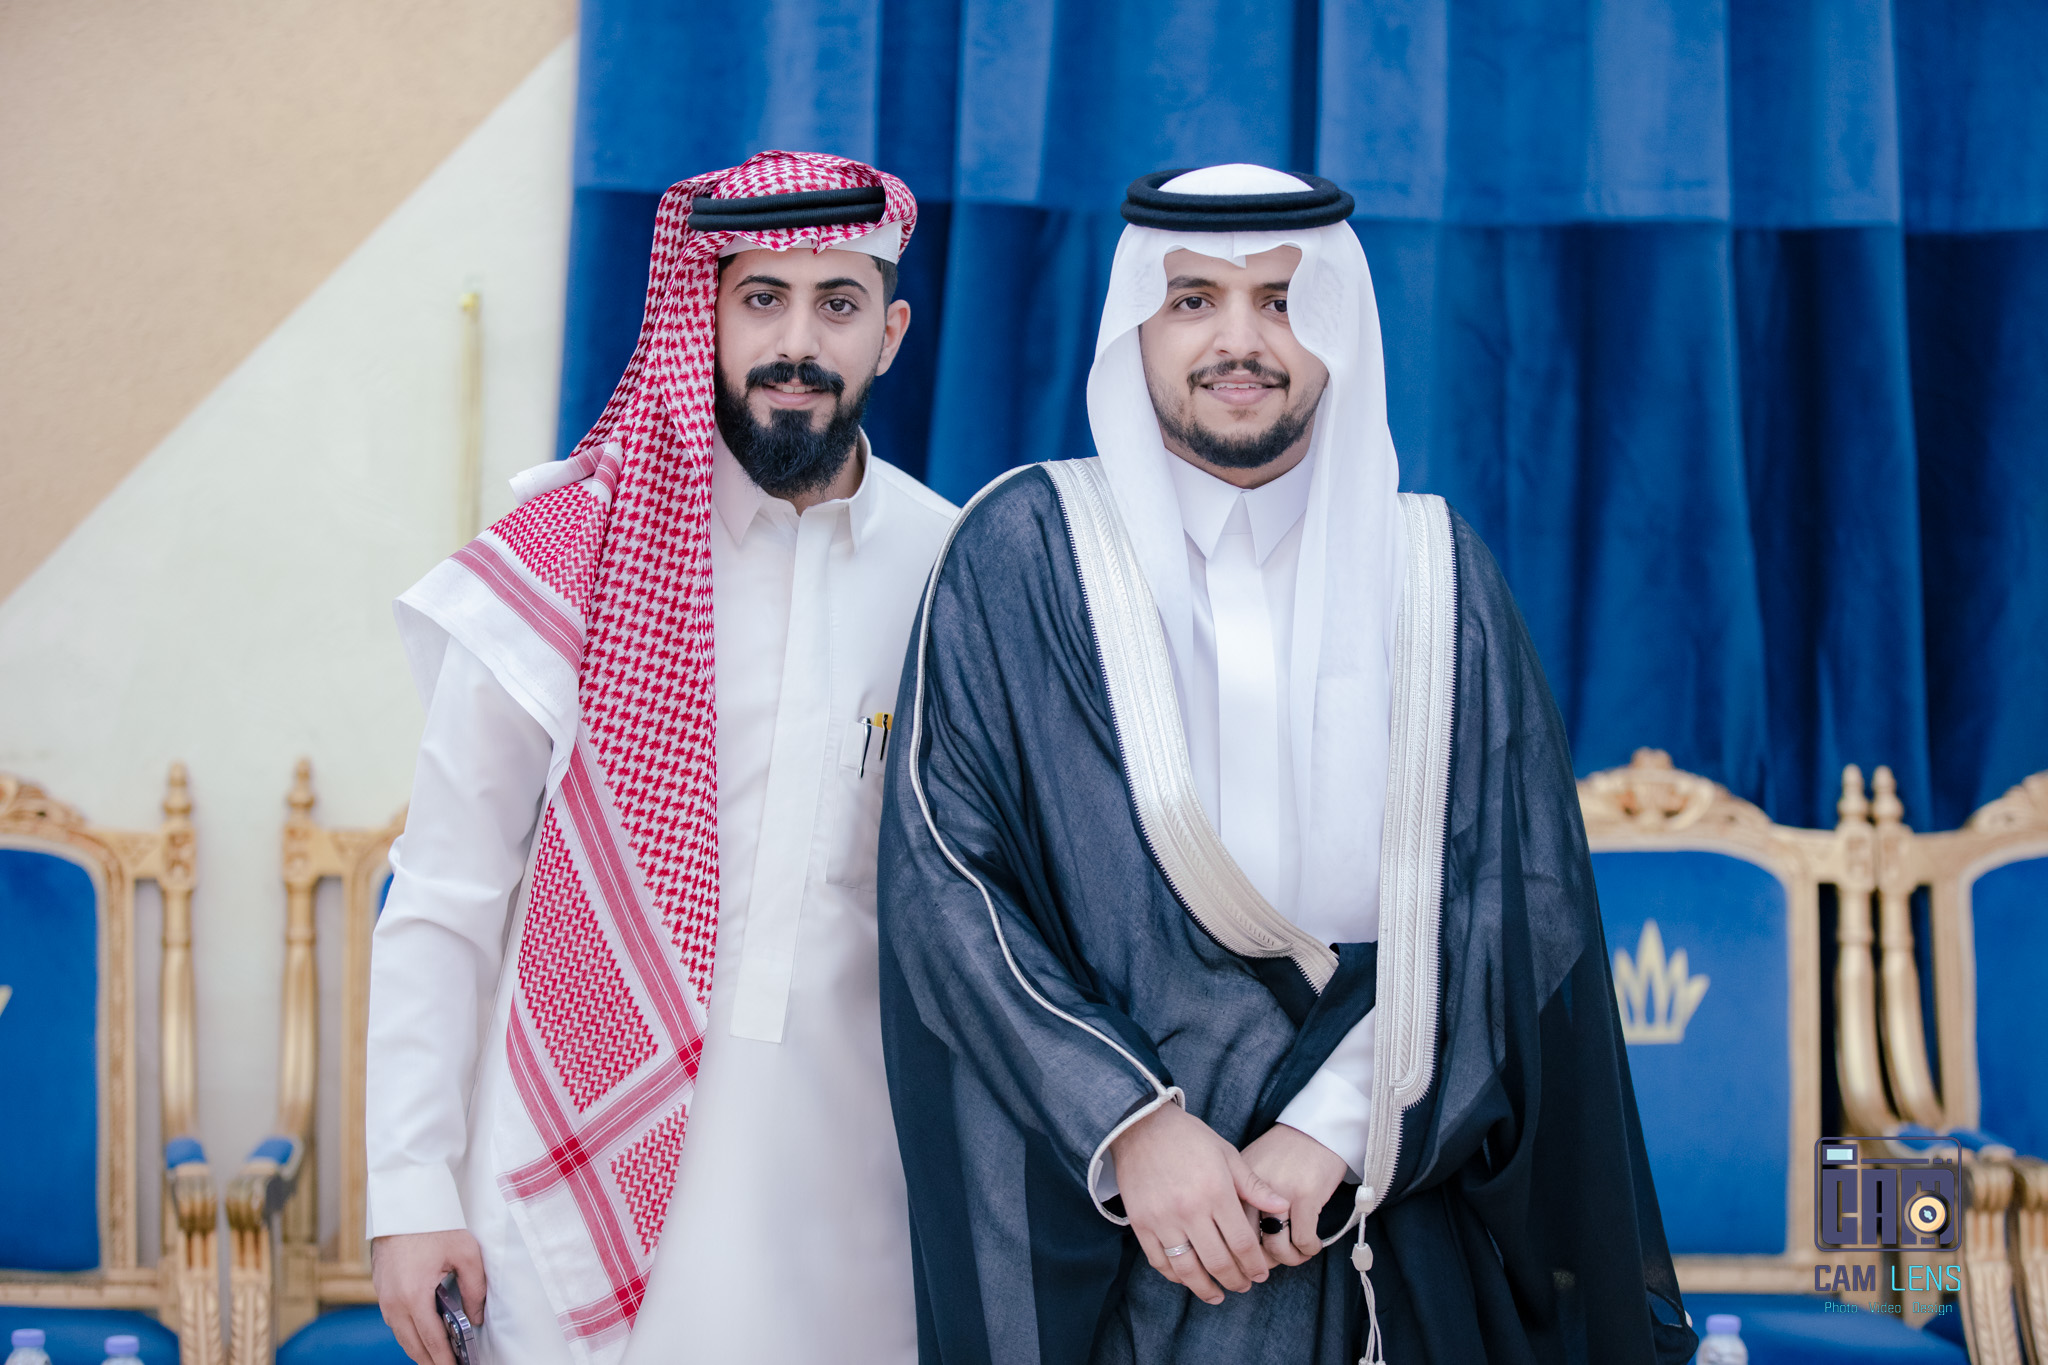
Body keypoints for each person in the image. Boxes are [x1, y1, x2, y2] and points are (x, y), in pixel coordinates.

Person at [877, 164, 1696, 1364]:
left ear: (1338, 327)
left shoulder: (1433, 575)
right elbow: (946, 880)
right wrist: (1130, 1127)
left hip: (1376, 1228)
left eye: (1279, 300)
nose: (1238, 340)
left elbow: (1513, 897)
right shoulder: (1023, 553)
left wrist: (1338, 1125)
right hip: (1119, 1245)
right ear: (1136, 327)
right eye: (1193, 300)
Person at [364, 150, 956, 1365]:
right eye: (761, 299)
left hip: (851, 1218)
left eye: (838, 304)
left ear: (889, 335)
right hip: (558, 1188)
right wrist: (410, 1190)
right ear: (705, 313)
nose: (797, 343)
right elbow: (445, 891)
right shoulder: (568, 554)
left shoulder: (951, 567)